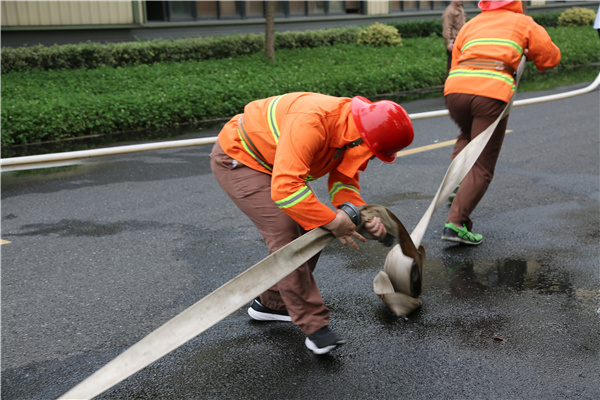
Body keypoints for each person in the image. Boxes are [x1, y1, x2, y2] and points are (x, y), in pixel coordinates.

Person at [210, 92, 414, 354]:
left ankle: (272, 305)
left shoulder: (353, 131)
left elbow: (344, 180)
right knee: (287, 235)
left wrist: (361, 216)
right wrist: (333, 221)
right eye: (373, 152)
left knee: (311, 225)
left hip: (277, 163)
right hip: (241, 159)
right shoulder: (312, 122)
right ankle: (315, 327)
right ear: (362, 137)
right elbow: (285, 189)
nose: (372, 158)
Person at [441, 0, 561, 245]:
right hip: (492, 92)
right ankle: (455, 224)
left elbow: (456, 58)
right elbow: (550, 58)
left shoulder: (472, 23)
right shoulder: (523, 22)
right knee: (483, 164)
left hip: (455, 89)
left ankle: (456, 185)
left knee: (467, 135)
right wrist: (527, 51)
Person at [442, 0, 466, 77]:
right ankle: (449, 84)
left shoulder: (460, 8)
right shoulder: (449, 11)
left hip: (461, 41)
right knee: (452, 65)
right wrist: (448, 42)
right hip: (453, 42)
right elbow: (447, 27)